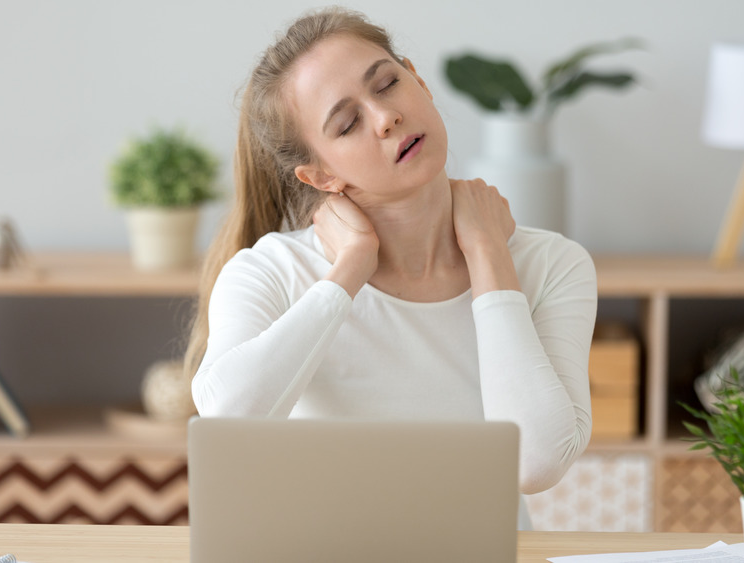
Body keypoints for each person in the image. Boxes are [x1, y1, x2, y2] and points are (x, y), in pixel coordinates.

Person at [184, 7, 597, 528]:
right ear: (320, 175)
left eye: (387, 85)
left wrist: (488, 256)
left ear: (418, 81)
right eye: (348, 123)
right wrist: (349, 272)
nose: (385, 118)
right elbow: (227, 426)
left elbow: (536, 462)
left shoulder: (552, 265)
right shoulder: (271, 272)